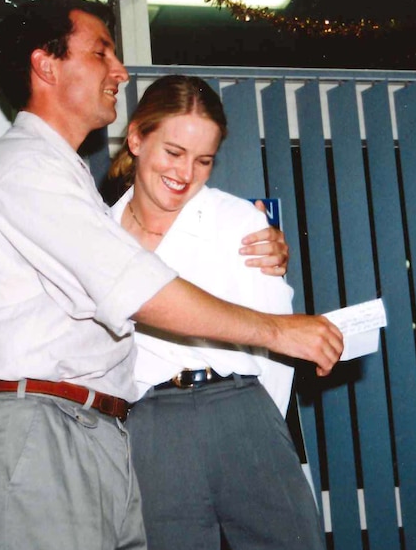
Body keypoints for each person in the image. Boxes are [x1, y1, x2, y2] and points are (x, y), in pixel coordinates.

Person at [0, 0, 343, 550]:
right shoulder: (28, 168)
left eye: (202, 160)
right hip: (45, 430)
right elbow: (137, 290)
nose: (120, 70)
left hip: (90, 429)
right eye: (101, 51)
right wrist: (282, 330)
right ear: (47, 65)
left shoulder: (68, 178)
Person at [107, 74, 325, 550]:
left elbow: (277, 343)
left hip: (240, 409)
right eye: (173, 152)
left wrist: (256, 419)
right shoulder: (99, 234)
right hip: (149, 425)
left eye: (203, 160)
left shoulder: (240, 223)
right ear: (138, 137)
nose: (185, 174)